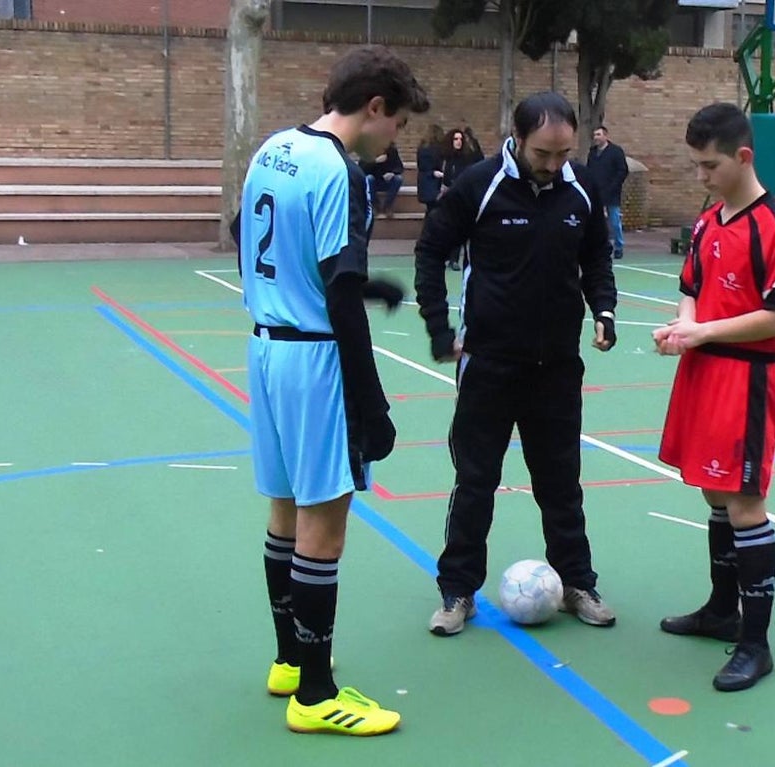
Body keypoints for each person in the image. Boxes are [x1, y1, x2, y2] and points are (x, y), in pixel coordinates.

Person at [236, 45, 429, 734]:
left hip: (266, 348)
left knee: (285, 509)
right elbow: (341, 298)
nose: (394, 139)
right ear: (375, 107)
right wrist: (372, 406)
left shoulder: (273, 149)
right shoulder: (339, 172)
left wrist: (355, 285)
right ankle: (316, 696)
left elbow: (246, 237)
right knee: (325, 520)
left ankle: (290, 661)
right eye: (398, 123)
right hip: (316, 360)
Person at [414, 91, 619, 637]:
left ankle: (577, 583)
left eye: (563, 154)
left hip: (558, 367)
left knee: (561, 484)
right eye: (542, 153)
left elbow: (596, 255)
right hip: (489, 364)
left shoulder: (581, 187)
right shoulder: (478, 184)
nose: (552, 165)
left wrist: (603, 309)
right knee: (475, 481)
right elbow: (430, 251)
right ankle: (458, 591)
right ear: (517, 137)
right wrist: (439, 328)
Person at [652, 102, 775, 693]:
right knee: (713, 491)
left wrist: (703, 331)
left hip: (746, 378)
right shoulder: (708, 222)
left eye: (710, 166)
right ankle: (722, 609)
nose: (702, 176)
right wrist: (683, 326)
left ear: (743, 156)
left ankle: (756, 643)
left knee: (745, 501)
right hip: (702, 370)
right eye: (696, 165)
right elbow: (691, 288)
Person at [586, 126, 629, 259]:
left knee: (614, 222)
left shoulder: (616, 152)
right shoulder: (592, 152)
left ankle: (618, 247)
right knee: (596, 222)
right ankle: (600, 247)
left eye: (598, 134)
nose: (596, 138)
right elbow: (589, 170)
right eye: (595, 135)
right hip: (595, 193)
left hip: (611, 193)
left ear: (606, 136)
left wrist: (613, 186)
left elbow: (622, 171)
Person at [439, 128, 477, 271]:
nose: (458, 142)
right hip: (446, 196)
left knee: (459, 229)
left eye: (461, 139)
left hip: (460, 197)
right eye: (456, 139)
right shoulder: (445, 157)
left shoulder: (466, 158)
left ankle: (454, 259)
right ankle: (444, 256)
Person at [359, 141, 405, 217]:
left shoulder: (392, 150)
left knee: (398, 179)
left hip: (387, 181)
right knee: (369, 178)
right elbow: (362, 168)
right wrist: (375, 161)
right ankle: (375, 205)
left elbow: (400, 167)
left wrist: (392, 173)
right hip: (374, 182)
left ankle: (387, 206)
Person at [416, 123, 446, 215]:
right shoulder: (438, 149)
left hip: (425, 181)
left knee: (431, 209)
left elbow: (421, 165)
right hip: (434, 182)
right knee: (435, 209)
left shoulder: (422, 147)